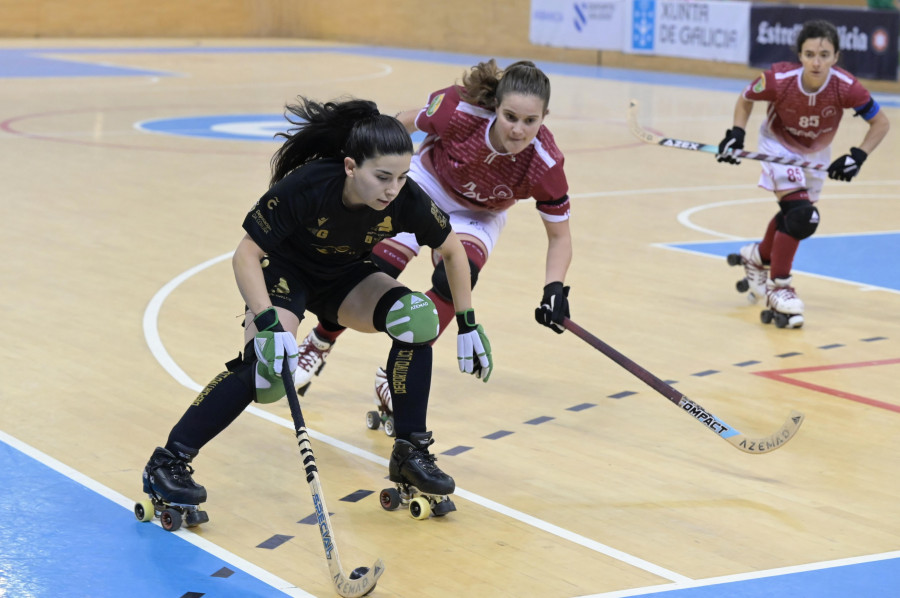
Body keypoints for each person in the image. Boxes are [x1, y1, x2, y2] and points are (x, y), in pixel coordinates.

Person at [140, 97, 493, 523]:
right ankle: (168, 461)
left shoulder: (404, 198)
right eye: (382, 177)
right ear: (350, 167)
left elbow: (453, 252)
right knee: (266, 372)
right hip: (284, 275)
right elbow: (246, 255)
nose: (392, 189)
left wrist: (468, 322)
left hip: (345, 279)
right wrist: (269, 322)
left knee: (418, 318)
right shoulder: (308, 185)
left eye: (402, 177)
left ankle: (411, 452)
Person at [293, 59, 573, 418]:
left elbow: (560, 237)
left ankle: (396, 374)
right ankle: (320, 341)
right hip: (428, 186)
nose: (518, 130)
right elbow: (402, 124)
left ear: (544, 117)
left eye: (530, 121)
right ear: (495, 107)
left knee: (456, 280)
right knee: (377, 268)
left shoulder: (545, 163)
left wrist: (555, 288)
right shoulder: (459, 111)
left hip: (480, 214)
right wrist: (368, 164)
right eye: (510, 117)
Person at [717, 19, 890, 328]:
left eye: (824, 54)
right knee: (802, 216)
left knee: (792, 214)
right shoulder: (778, 80)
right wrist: (736, 134)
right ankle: (779, 288)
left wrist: (857, 156)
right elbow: (746, 98)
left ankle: (757, 256)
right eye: (809, 54)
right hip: (777, 145)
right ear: (799, 55)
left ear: (836, 57)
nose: (816, 61)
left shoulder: (847, 87)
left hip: (815, 153)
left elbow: (881, 123)